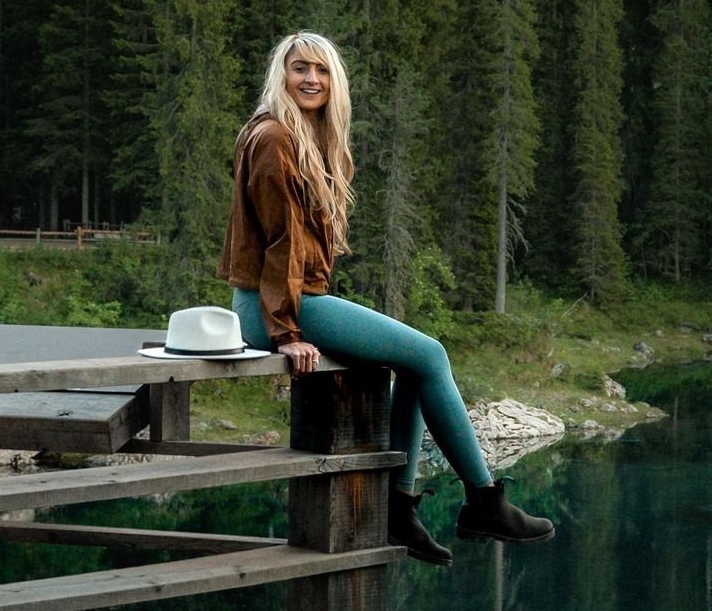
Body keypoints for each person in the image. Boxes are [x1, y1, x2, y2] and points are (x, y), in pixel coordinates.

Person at [218, 31, 554, 567]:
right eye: (300, 68)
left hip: (292, 298)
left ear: (335, 82)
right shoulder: (274, 137)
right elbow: (279, 240)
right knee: (430, 355)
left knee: (413, 365)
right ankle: (482, 501)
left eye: (322, 71)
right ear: (281, 76)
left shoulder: (304, 137)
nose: (311, 79)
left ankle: (400, 507)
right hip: (270, 306)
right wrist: (286, 333)